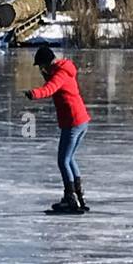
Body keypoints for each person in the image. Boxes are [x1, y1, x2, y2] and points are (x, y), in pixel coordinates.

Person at [23, 45, 91, 214]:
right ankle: (78, 195)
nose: (41, 69)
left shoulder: (60, 74)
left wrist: (34, 93)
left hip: (73, 122)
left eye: (41, 66)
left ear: (46, 63)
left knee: (63, 160)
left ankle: (70, 199)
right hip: (81, 120)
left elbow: (50, 89)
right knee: (70, 159)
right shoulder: (62, 70)